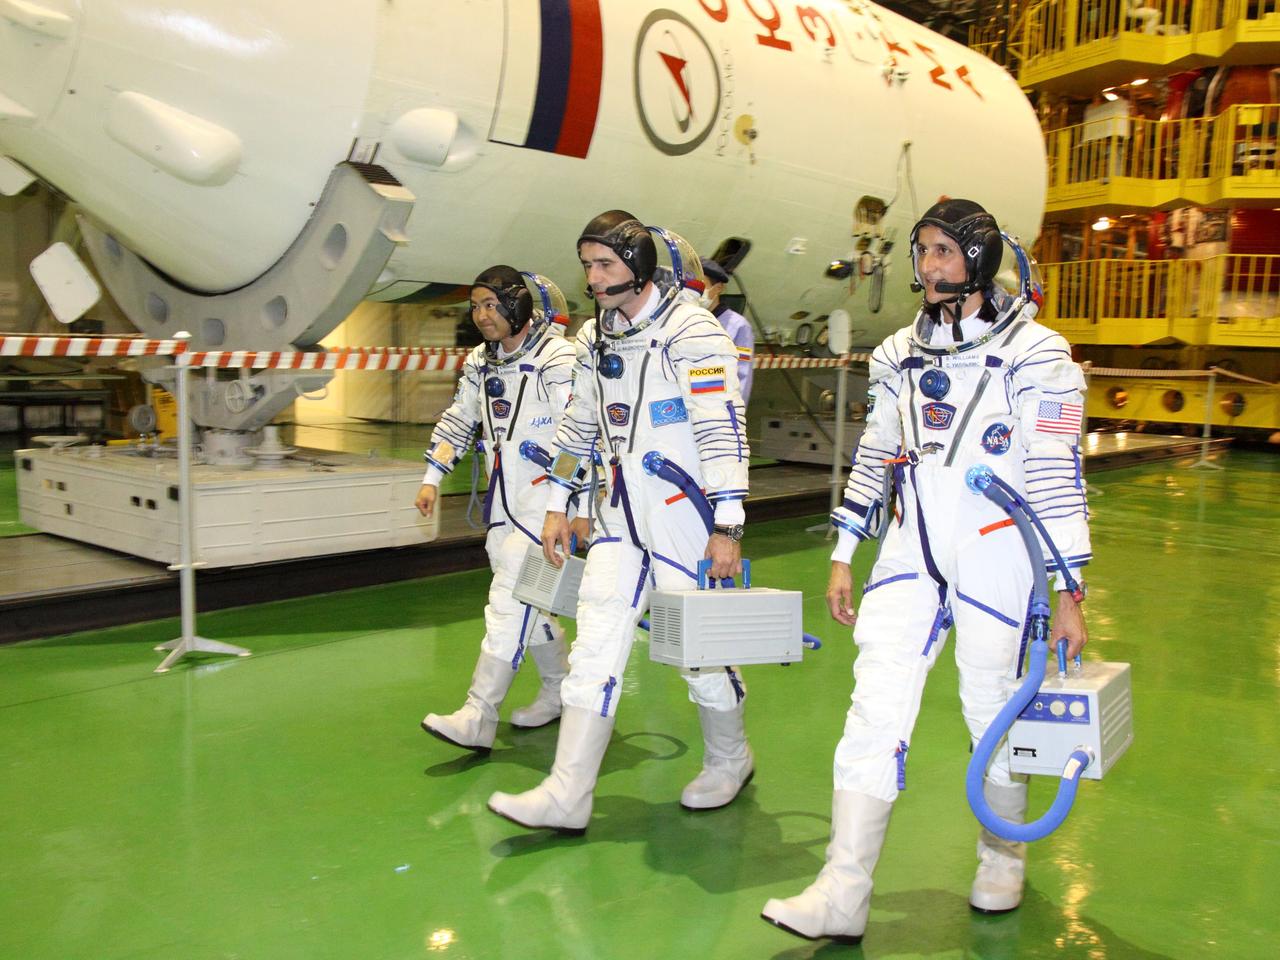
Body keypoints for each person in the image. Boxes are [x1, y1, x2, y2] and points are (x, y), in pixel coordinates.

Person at [761, 198, 1092, 944]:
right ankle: (842, 891)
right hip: (912, 554)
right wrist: (846, 551)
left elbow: (1056, 477)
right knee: (873, 707)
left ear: (978, 260)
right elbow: (877, 454)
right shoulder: (897, 355)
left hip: (998, 553)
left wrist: (1068, 589)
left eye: (944, 252)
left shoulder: (1040, 357)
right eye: (922, 251)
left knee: (992, 709)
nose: (929, 266)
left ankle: (1003, 856)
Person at [487, 211, 754, 833]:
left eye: (605, 264)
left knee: (698, 655)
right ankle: (566, 793)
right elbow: (578, 424)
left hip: (684, 520)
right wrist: (560, 502)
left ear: (639, 266)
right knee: (596, 647)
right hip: (617, 522)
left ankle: (730, 756)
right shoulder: (593, 338)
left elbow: (722, 429)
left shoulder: (693, 331)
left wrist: (730, 522)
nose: (593, 276)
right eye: (586, 265)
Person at [415, 266, 579, 752]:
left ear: (518, 306)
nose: (482, 316)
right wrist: (432, 478)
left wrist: (566, 504)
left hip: (548, 511)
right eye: (476, 306)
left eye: (491, 305)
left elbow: (579, 436)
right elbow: (459, 420)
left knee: (509, 603)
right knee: (532, 605)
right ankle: (558, 690)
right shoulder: (480, 364)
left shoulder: (558, 359)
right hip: (504, 508)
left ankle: (477, 714)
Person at [700, 256, 755, 405]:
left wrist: (733, 420)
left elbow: (742, 376)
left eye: (701, 285)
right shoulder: (685, 321)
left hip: (720, 411)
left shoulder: (738, 327)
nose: (695, 291)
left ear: (718, 288)